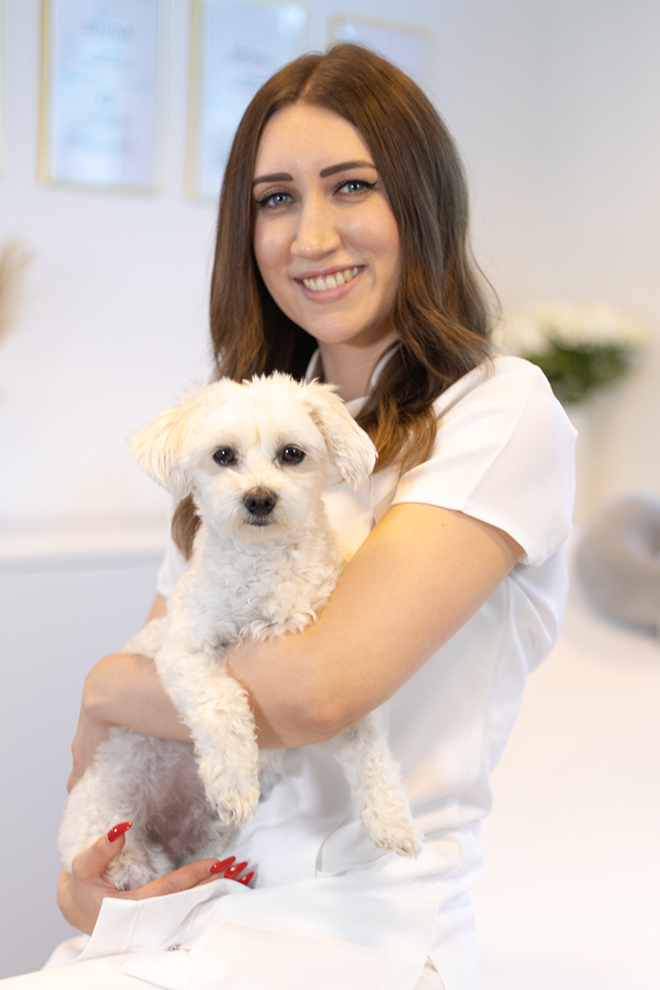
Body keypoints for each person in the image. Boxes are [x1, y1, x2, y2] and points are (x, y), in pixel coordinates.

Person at [5, 44, 575, 990]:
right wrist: (91, 886)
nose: (311, 236)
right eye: (276, 199)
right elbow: (139, 748)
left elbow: (313, 695)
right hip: (200, 907)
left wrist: (101, 684)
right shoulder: (234, 443)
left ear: (422, 205)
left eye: (350, 186)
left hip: (362, 929)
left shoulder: (499, 410)